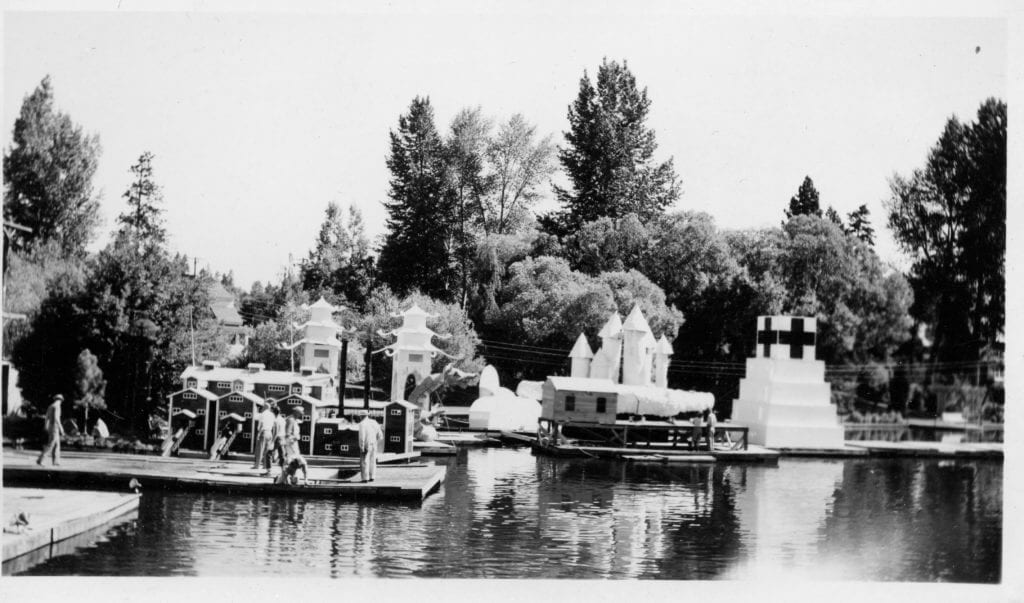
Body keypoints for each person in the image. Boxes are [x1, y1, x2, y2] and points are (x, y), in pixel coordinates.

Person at [37, 394, 65, 466]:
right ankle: (41, 459)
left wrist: (46, 426)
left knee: (57, 445)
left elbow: (47, 417)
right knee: (51, 444)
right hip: (55, 427)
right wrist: (61, 428)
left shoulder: (50, 406)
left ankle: (55, 461)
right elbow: (56, 418)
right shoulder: (57, 406)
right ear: (60, 400)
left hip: (50, 426)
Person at [357, 413, 384, 482]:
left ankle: (365, 478)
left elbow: (361, 437)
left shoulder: (362, 424)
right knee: (372, 461)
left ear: (361, 416)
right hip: (374, 444)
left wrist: (361, 446)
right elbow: (380, 435)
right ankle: (372, 477)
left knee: (364, 461)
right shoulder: (374, 422)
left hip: (366, 445)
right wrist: (375, 441)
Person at [251, 401, 276, 473]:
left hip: (263, 432)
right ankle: (265, 465)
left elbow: (261, 423)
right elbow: (274, 425)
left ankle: (257, 465)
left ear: (264, 407)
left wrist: (259, 433)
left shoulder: (263, 414)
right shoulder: (272, 415)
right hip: (270, 433)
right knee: (266, 450)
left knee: (259, 449)